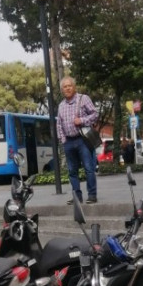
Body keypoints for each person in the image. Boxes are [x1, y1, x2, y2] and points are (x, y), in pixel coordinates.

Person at [56, 76, 99, 204]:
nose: (67, 88)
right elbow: (59, 124)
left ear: (74, 87)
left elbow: (95, 114)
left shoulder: (83, 99)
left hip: (83, 140)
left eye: (69, 86)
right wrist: (63, 139)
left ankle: (92, 195)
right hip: (68, 142)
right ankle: (77, 197)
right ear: (62, 90)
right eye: (65, 86)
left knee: (88, 168)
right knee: (72, 171)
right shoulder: (61, 105)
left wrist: (82, 120)